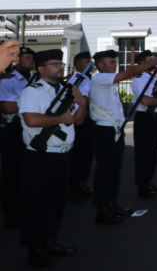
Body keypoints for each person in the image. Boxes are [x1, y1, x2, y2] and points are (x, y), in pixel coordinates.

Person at [18, 49, 88, 267]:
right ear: (41, 69)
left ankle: (50, 240)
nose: (61, 66)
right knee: (36, 204)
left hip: (64, 155)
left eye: (61, 63)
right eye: (55, 63)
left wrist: (82, 104)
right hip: (41, 157)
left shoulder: (66, 90)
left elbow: (77, 121)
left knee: (56, 204)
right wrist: (61, 117)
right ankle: (35, 248)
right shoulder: (32, 91)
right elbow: (30, 120)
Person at [90, 49, 157, 224]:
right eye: (111, 62)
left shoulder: (109, 82)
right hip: (105, 130)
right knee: (105, 170)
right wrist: (154, 62)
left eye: (115, 62)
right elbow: (131, 72)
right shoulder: (100, 78)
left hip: (115, 129)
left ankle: (112, 203)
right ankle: (102, 209)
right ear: (100, 65)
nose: (115, 65)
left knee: (115, 169)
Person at [0, 46, 35, 228]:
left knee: (28, 174)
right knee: (13, 174)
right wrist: (34, 105)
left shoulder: (35, 79)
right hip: (14, 130)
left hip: (31, 129)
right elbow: (7, 108)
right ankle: (11, 214)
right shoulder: (9, 81)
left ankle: (25, 210)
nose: (31, 61)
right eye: (27, 57)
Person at [130, 50, 157, 198]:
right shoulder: (139, 79)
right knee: (143, 153)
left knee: (152, 151)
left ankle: (148, 180)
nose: (154, 62)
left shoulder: (152, 78)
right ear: (142, 63)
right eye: (151, 60)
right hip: (144, 117)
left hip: (155, 115)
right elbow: (145, 101)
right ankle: (142, 185)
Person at [68, 51, 95, 202]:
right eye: (86, 62)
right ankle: (74, 187)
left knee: (87, 155)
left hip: (88, 120)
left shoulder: (87, 78)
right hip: (80, 121)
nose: (90, 64)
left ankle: (82, 184)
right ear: (78, 64)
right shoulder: (78, 79)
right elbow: (83, 99)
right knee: (79, 156)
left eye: (90, 62)